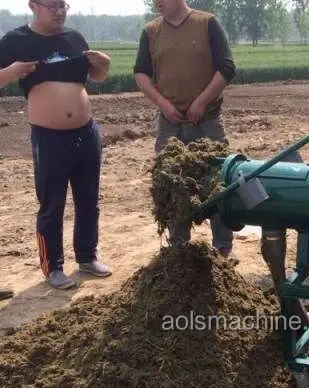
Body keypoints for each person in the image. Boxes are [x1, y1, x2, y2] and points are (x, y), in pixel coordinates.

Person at [0, 1, 112, 290]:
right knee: (52, 205)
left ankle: (87, 257)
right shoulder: (16, 40)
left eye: (64, 6)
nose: (60, 11)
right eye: (53, 6)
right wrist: (11, 72)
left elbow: (94, 77)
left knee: (89, 200)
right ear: (34, 5)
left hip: (87, 133)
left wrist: (104, 66)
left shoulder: (74, 39)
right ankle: (53, 267)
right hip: (49, 138)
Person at [133, 0, 238, 263]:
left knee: (218, 181)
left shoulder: (207, 24)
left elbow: (226, 68)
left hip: (207, 122)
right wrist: (164, 105)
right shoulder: (151, 31)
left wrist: (201, 102)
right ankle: (179, 249)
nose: (157, 3)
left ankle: (222, 250)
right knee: (171, 183)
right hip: (170, 123)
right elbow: (141, 74)